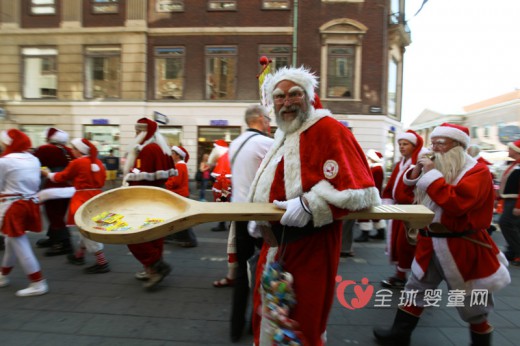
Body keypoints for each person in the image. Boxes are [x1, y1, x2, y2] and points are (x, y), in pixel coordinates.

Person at [248, 66, 380, 345]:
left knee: (301, 323)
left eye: (293, 94)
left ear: (308, 96)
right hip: (274, 247)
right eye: (280, 97)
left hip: (310, 247)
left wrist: (311, 205)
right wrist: (256, 212)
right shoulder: (283, 134)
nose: (286, 102)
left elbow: (361, 191)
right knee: (270, 318)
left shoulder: (329, 129)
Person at [374, 123, 511, 346]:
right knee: (416, 289)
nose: (434, 148)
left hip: (463, 245)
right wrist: (417, 173)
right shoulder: (437, 167)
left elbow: (456, 203)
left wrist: (431, 176)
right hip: (431, 242)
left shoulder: (478, 172)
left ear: (457, 145)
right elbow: (407, 193)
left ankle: (481, 341)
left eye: (441, 143)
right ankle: (399, 334)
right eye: (433, 143)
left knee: (473, 300)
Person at [227, 104, 274, 342]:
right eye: (268, 118)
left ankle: (236, 325)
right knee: (262, 269)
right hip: (258, 216)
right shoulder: (265, 143)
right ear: (258, 119)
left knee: (241, 272)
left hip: (239, 213)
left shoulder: (235, 143)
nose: (269, 122)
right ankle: (258, 323)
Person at [123, 117, 176, 290]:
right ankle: (151, 268)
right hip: (154, 199)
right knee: (154, 236)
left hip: (144, 200)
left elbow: (141, 179)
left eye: (138, 131)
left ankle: (156, 267)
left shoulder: (149, 149)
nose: (136, 134)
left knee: (134, 235)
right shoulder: (156, 148)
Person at [42, 138, 110, 274]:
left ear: (79, 151)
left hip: (82, 199)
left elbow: (62, 176)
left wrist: (48, 174)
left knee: (87, 230)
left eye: (73, 149)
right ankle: (79, 255)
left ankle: (102, 262)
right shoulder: (98, 163)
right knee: (86, 228)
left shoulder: (78, 162)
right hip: (97, 198)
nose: (71, 151)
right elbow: (102, 180)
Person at [0, 129, 48, 296]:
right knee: (11, 242)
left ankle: (37, 282)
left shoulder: (4, 161)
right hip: (29, 203)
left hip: (12, 207)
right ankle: (3, 275)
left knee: (19, 243)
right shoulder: (34, 159)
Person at [380, 130, 424, 289]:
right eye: (400, 144)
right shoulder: (400, 164)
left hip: (412, 211)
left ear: (414, 146)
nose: (401, 147)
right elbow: (391, 185)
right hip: (399, 210)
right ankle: (401, 275)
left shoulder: (419, 164)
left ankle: (417, 280)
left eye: (405, 144)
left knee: (408, 245)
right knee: (399, 245)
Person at [33, 127, 74, 256]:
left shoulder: (46, 149)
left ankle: (63, 243)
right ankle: (53, 238)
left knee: (53, 214)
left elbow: (33, 162)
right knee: (59, 213)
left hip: (54, 184)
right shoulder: (68, 150)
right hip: (68, 184)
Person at [164, 145, 198, 247]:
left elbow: (175, 182)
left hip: (179, 195)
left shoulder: (179, 166)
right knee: (177, 218)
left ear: (178, 155)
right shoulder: (180, 165)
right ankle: (172, 236)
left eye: (173, 153)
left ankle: (189, 240)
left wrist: (165, 183)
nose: (171, 155)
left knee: (181, 220)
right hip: (180, 195)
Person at [355, 149, 386, 242]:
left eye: (368, 157)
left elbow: (371, 183)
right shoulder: (375, 168)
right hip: (372, 194)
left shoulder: (376, 169)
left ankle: (365, 233)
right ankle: (381, 232)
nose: (367, 158)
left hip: (369, 195)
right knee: (374, 214)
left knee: (364, 214)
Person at [498, 139, 520, 265]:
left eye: (510, 148)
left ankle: (517, 252)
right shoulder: (514, 164)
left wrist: (518, 206)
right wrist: (498, 198)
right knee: (515, 227)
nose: (508, 150)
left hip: (515, 201)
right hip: (509, 200)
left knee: (505, 223)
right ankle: (512, 253)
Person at [209, 139, 231, 232]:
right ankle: (226, 224)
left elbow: (224, 175)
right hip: (225, 184)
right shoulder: (224, 156)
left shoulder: (224, 157)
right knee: (225, 203)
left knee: (224, 202)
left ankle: (224, 224)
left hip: (225, 185)